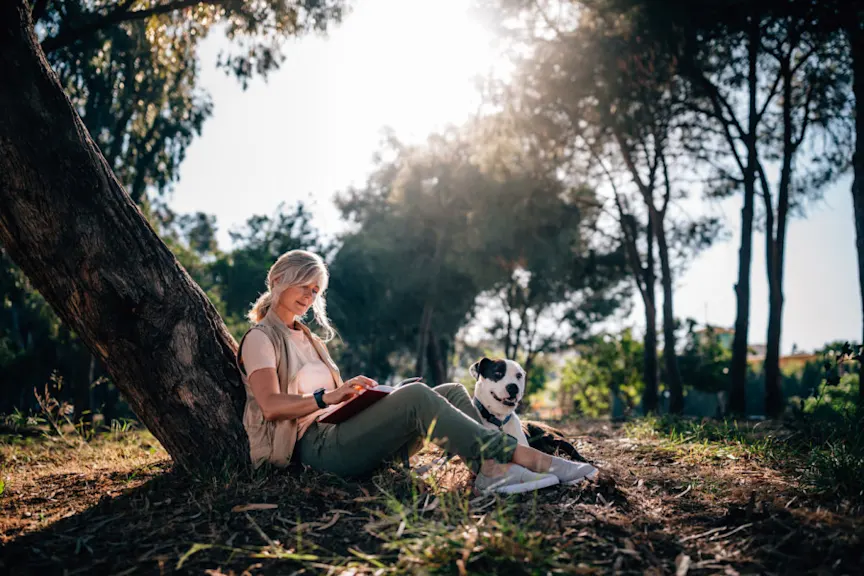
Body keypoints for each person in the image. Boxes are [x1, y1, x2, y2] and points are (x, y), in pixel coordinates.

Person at [236, 250, 598, 494]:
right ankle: (516, 460)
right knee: (415, 397)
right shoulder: (261, 338)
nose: (309, 296)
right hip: (319, 450)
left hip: (347, 433)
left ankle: (491, 465)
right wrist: (327, 396)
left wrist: (357, 398)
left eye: (316, 290)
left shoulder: (309, 339)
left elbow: (333, 403)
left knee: (452, 391)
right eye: (303, 285)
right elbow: (270, 405)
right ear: (278, 279)